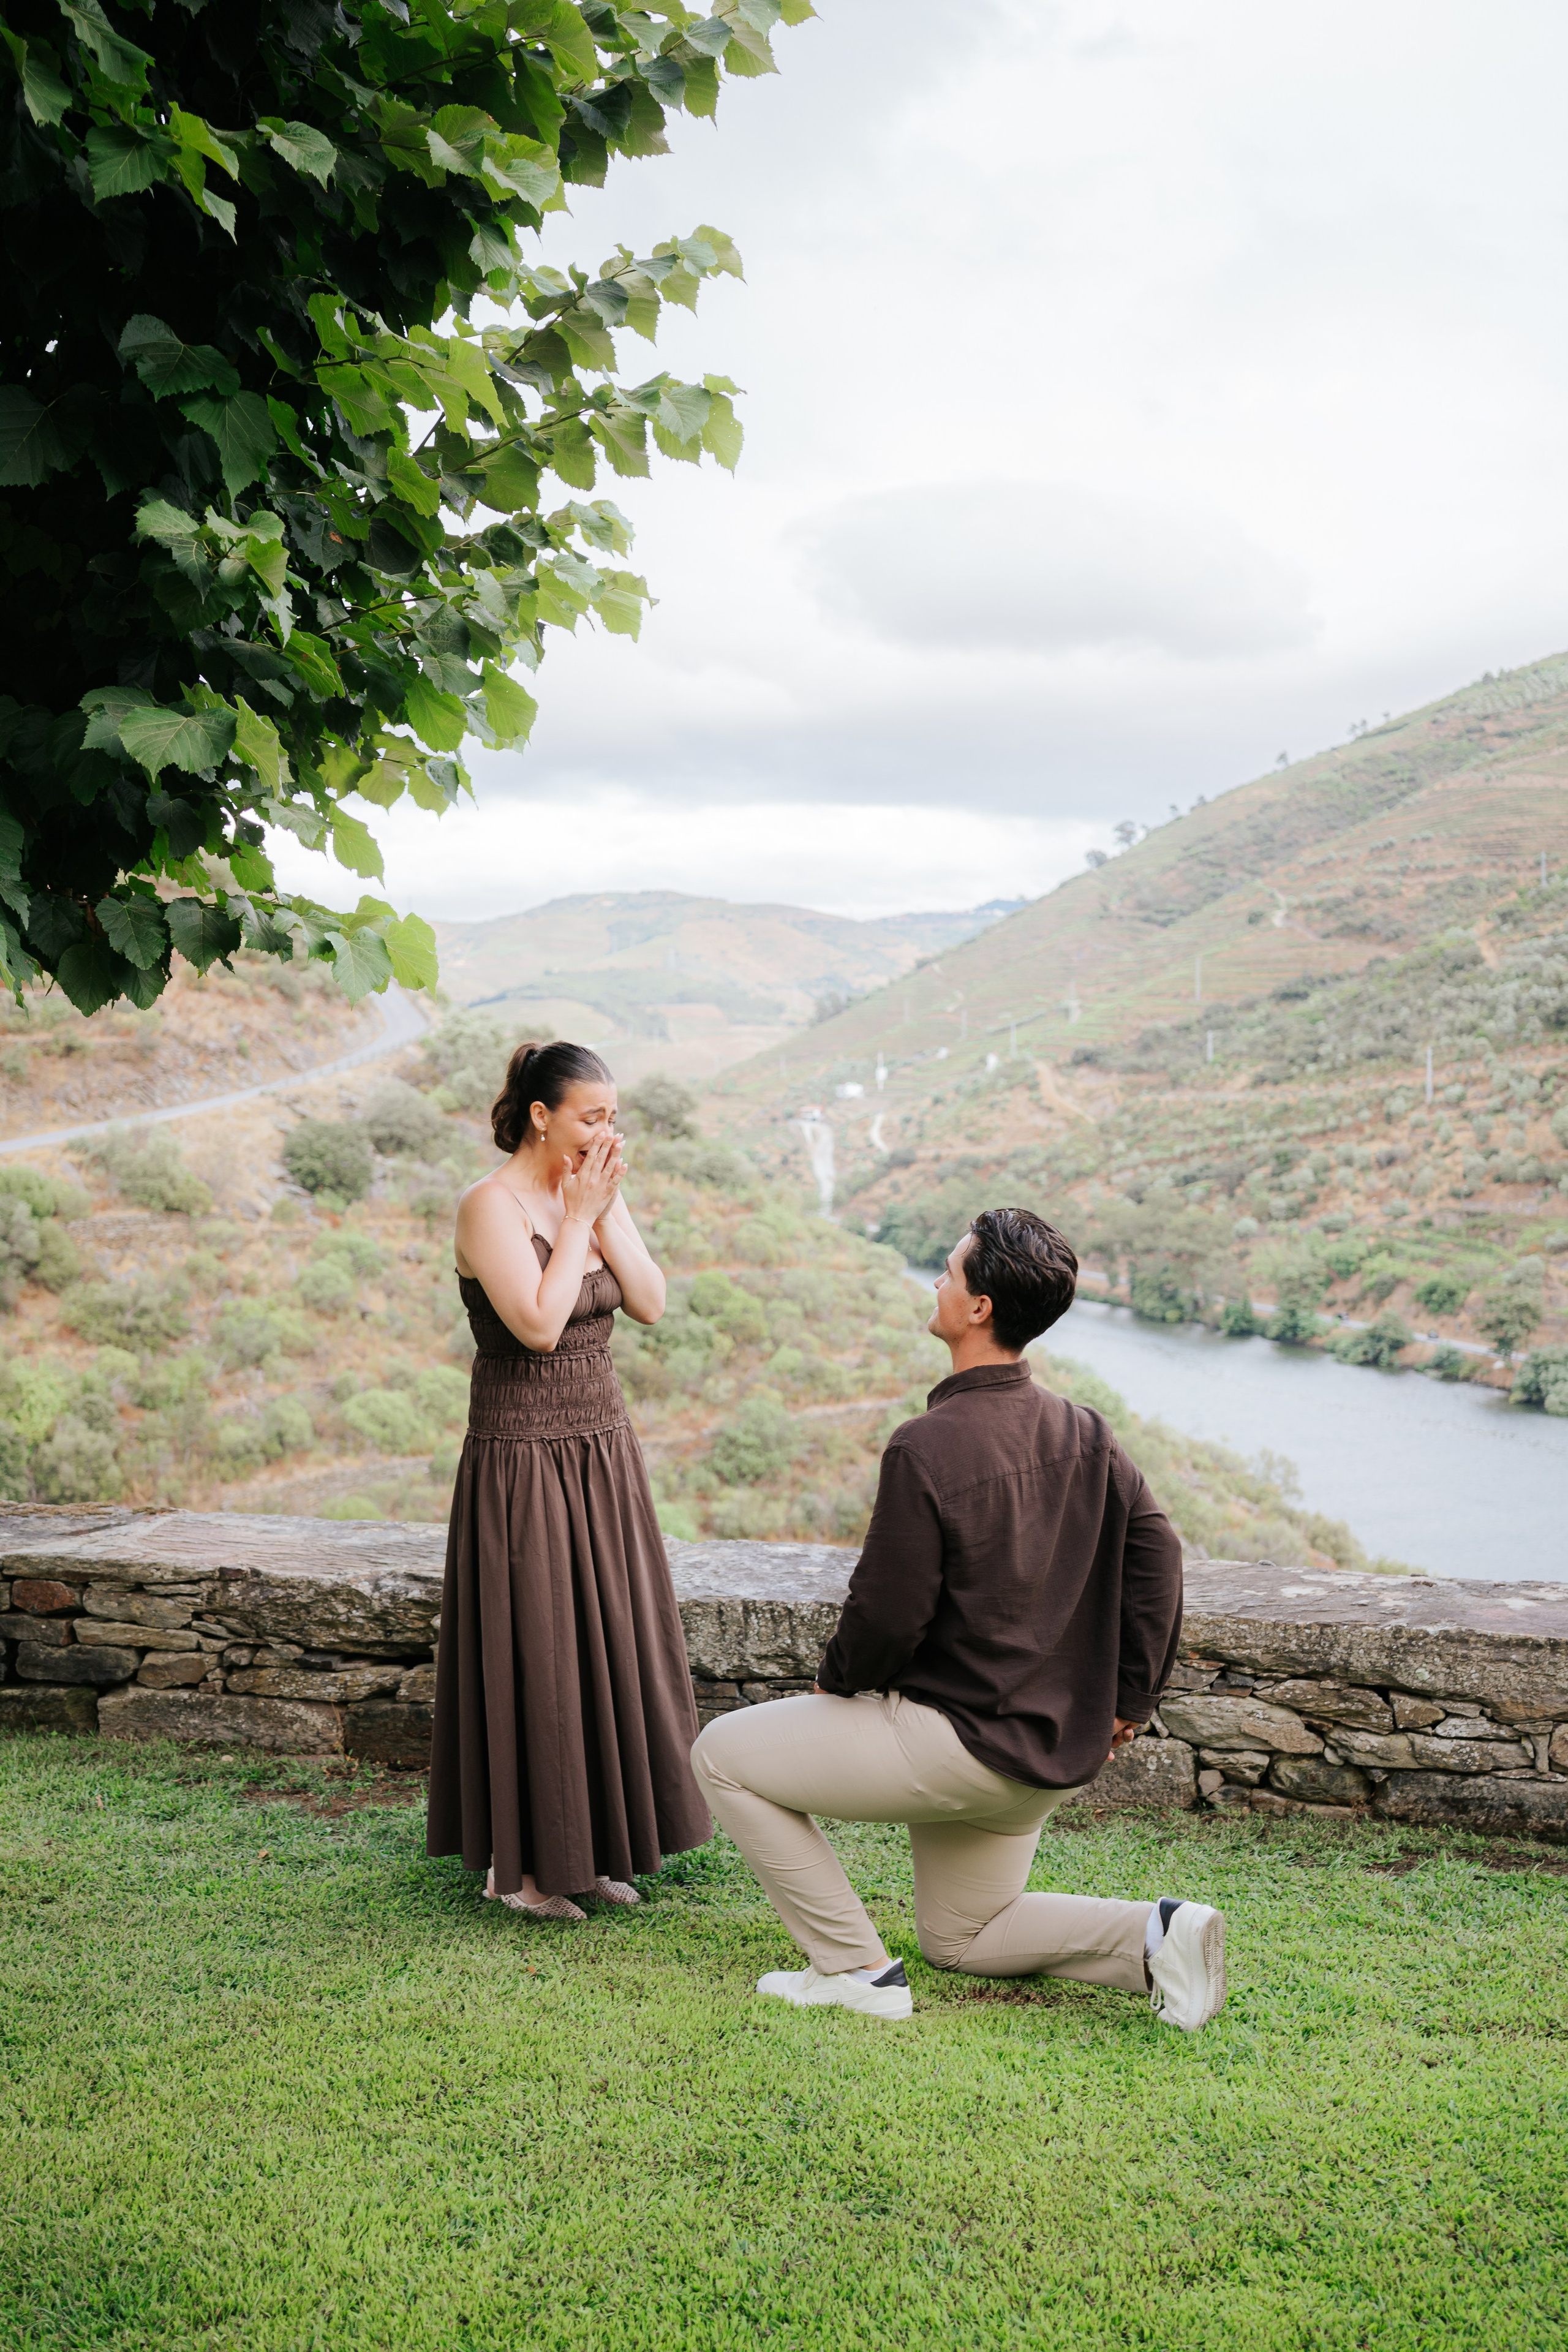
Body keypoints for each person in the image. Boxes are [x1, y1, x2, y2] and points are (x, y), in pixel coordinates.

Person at [690, 1207, 1225, 2030]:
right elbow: (1161, 1556)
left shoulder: (927, 1446)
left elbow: (887, 1616)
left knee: (722, 1754)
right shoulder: (1087, 1432)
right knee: (963, 1936)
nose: (935, 1283)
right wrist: (1131, 1699)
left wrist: (836, 1686)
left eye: (947, 1271)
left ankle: (854, 1972)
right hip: (1042, 1760)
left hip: (955, 1745)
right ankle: (1156, 1936)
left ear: (979, 1307)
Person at [426, 1041, 710, 1921]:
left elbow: (651, 1302)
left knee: (606, 1641)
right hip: (523, 1456)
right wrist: (582, 1217)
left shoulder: (589, 1193)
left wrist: (599, 1210)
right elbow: (539, 1326)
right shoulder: (490, 1206)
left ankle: (589, 1851)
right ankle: (522, 1872)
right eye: (592, 1116)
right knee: (541, 1649)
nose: (606, 1132)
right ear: (541, 1115)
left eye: (613, 1117)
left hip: (600, 1446)